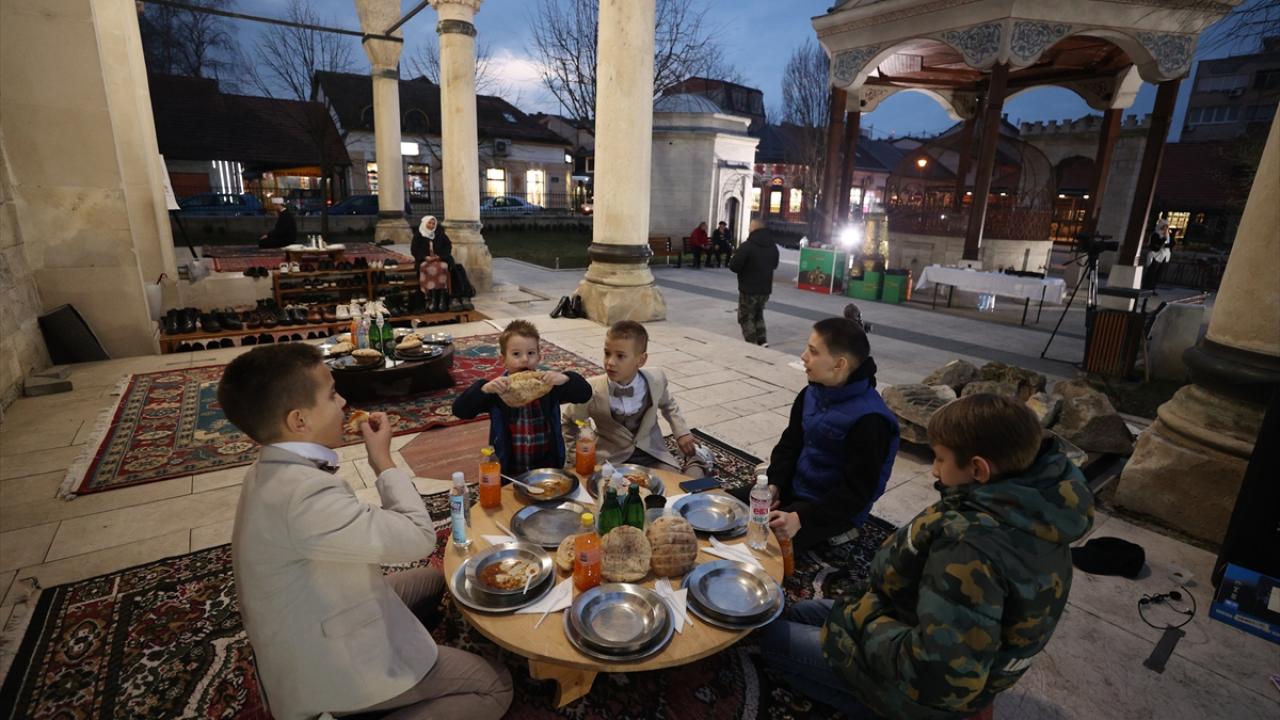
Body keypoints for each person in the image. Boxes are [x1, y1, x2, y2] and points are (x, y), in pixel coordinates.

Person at [219, 344, 512, 720]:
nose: (343, 403)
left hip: (318, 612)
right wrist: (383, 461)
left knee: (436, 582)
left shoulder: (272, 466)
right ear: (299, 421)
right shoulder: (304, 498)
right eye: (331, 395)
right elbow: (418, 538)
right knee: (493, 685)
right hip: (328, 667)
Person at [758, 393, 1095, 719]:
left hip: (922, 690)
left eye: (940, 459)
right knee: (799, 613)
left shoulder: (970, 547)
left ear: (978, 469)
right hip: (913, 620)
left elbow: (940, 672)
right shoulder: (1028, 501)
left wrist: (864, 622)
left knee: (767, 640)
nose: (933, 471)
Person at [736, 317, 898, 552]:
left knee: (764, 546)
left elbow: (857, 492)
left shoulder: (871, 420)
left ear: (839, 364)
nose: (803, 356)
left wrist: (800, 517)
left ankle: (842, 532)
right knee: (730, 507)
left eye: (813, 351)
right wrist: (775, 485)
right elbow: (790, 445)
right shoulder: (812, 393)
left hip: (832, 508)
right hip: (797, 488)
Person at [562, 320, 708, 477]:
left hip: (652, 454)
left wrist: (682, 432)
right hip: (611, 457)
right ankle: (697, 458)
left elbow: (668, 405)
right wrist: (576, 457)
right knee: (608, 492)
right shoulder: (590, 389)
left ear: (641, 360)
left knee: (675, 489)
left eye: (620, 356)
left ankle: (696, 459)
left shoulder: (656, 379)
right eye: (607, 353)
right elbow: (569, 421)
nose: (610, 362)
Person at [453, 319, 592, 475]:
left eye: (531, 353)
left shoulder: (549, 387)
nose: (525, 359)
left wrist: (566, 379)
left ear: (539, 357)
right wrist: (483, 389)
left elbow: (584, 394)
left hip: (547, 467)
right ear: (503, 360)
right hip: (510, 469)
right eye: (516, 354)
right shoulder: (497, 391)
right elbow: (460, 410)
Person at [728, 219, 780, 347]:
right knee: (758, 314)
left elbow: (734, 266)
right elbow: (774, 265)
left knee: (745, 317)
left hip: (748, 288)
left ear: (754, 228)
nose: (748, 229)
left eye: (750, 226)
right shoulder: (772, 246)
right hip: (764, 289)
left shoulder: (748, 245)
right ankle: (762, 341)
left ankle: (751, 345)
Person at [413, 215, 454, 313]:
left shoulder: (440, 234)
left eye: (433, 223)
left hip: (439, 259)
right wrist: (425, 257)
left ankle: (441, 299)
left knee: (442, 267)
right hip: (425, 260)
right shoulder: (419, 234)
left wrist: (439, 256)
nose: (431, 225)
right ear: (425, 223)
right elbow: (414, 250)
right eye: (429, 223)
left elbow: (448, 247)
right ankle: (429, 297)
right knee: (425, 268)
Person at [1142, 215, 1172, 293]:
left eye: (1167, 227)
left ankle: (1153, 289)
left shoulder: (1168, 235)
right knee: (1152, 273)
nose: (1166, 229)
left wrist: (1166, 243)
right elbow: (1155, 245)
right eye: (1165, 227)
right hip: (1155, 256)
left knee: (1158, 274)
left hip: (1164, 256)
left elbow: (1170, 244)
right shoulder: (1156, 234)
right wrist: (1164, 239)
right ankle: (1147, 288)